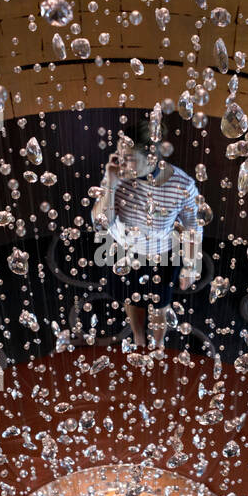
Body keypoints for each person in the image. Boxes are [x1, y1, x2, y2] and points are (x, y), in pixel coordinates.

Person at [92, 116, 201, 352]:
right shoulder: (117, 175)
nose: (121, 163)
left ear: (152, 158)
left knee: (160, 305)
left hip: (160, 255)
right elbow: (100, 222)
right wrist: (110, 184)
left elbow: (193, 226)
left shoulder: (182, 185)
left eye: (128, 159)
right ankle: (140, 339)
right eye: (119, 156)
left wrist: (191, 265)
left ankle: (158, 344)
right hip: (123, 251)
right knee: (130, 299)